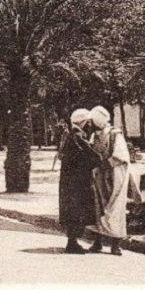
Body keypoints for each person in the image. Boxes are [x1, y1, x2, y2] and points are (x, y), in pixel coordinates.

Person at [86, 106, 139, 255]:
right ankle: (98, 243)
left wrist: (105, 164)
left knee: (115, 210)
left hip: (115, 177)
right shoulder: (94, 135)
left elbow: (121, 157)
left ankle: (115, 245)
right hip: (100, 177)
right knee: (99, 209)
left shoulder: (115, 135)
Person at [58, 109, 100, 254]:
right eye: (88, 122)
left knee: (73, 211)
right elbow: (91, 156)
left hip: (72, 181)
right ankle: (73, 243)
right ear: (83, 122)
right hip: (77, 182)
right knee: (77, 210)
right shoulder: (77, 136)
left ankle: (73, 242)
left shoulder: (72, 135)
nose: (90, 125)